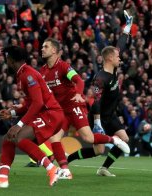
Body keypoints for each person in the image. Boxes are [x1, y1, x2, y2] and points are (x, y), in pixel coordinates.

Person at [39, 38, 130, 179]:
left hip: (76, 106)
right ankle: (65, 170)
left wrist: (78, 93)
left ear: (54, 50)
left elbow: (78, 81)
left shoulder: (63, 67)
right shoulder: (43, 72)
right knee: (55, 139)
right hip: (64, 111)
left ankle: (111, 147)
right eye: (42, 46)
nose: (42, 49)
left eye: (45, 46)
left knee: (89, 138)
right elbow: (41, 92)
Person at [0, 46, 63, 188]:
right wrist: (11, 113)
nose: (5, 60)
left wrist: (18, 125)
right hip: (45, 114)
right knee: (8, 138)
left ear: (11, 59)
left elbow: (38, 103)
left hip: (51, 114)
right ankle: (2, 178)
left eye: (6, 57)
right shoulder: (22, 74)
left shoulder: (28, 75)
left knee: (19, 137)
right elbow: (31, 104)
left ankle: (52, 169)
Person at [67, 8, 134, 177]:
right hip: (98, 117)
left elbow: (121, 43)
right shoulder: (100, 78)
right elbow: (95, 100)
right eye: (117, 57)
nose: (120, 58)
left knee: (125, 140)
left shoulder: (113, 68)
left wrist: (128, 26)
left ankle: (104, 168)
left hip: (110, 116)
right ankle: (67, 160)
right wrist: (97, 123)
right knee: (98, 151)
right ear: (110, 58)